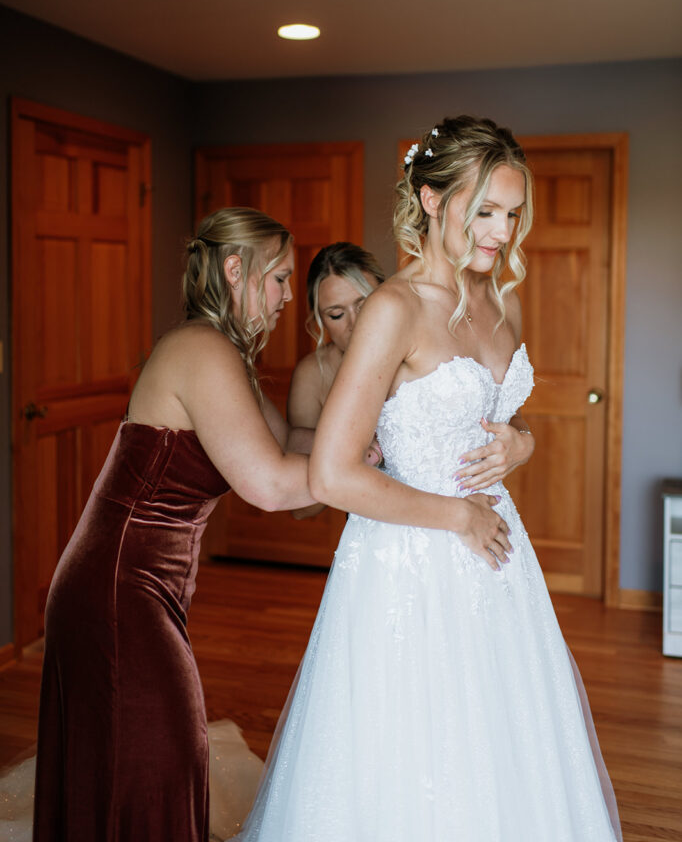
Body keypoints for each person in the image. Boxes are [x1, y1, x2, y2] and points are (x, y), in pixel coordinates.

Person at [31, 206, 498, 842]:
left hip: (141, 582)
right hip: (117, 584)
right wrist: (351, 467)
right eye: (278, 279)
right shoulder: (200, 349)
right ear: (235, 270)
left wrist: (364, 437)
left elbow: (289, 443)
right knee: (163, 751)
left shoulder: (224, 353)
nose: (284, 297)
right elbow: (272, 485)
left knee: (135, 754)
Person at [235, 119, 622, 841]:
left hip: (499, 565)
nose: (502, 232)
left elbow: (500, 423)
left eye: (513, 214)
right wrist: (458, 516)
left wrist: (522, 444)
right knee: (415, 754)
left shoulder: (499, 302)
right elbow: (332, 473)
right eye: (486, 211)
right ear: (431, 199)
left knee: (504, 748)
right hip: (408, 568)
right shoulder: (394, 309)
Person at [287, 242, 385, 517]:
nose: (355, 324)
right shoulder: (313, 376)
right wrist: (358, 454)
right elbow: (302, 508)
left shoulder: (421, 351)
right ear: (320, 320)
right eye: (337, 314)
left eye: (365, 304)